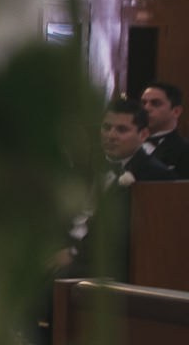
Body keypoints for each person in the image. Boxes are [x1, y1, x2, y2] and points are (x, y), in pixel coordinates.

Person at [66, 97, 178, 277]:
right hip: (70, 248)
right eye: (106, 127)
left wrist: (73, 254)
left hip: (105, 269)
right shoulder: (87, 165)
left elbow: (125, 241)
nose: (111, 135)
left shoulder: (154, 175)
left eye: (122, 129)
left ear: (143, 135)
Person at [141, 82, 189, 175]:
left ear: (176, 111)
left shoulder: (185, 150)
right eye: (143, 103)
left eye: (155, 103)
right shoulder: (126, 143)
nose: (146, 108)